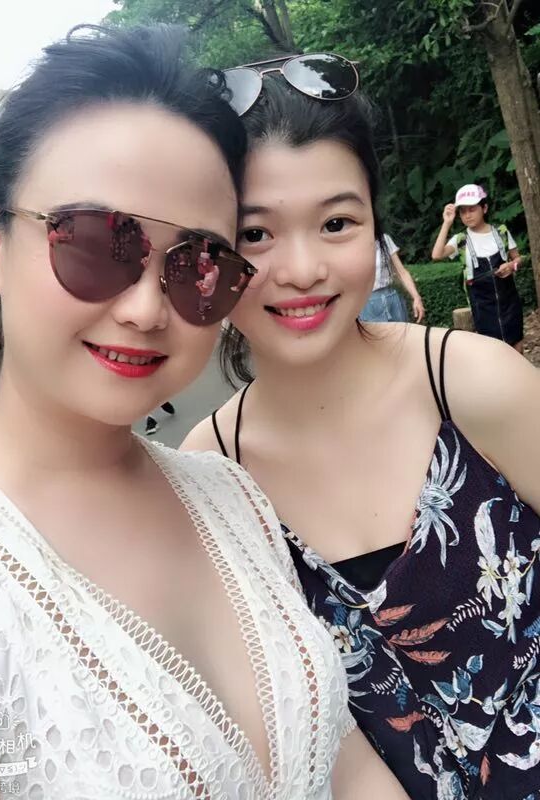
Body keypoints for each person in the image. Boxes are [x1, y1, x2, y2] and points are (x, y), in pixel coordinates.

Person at [0, 26, 407, 800]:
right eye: (94, 244)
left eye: (199, 264)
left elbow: (341, 755)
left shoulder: (232, 496)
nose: (146, 309)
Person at [183, 56, 540, 799]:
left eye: (337, 223)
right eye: (255, 233)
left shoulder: (473, 382)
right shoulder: (212, 474)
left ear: (376, 227)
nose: (302, 268)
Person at [431, 183, 524, 352]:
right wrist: (447, 223)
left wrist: (512, 265)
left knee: (517, 347)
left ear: (484, 208)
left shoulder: (501, 232)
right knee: (492, 352)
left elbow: (519, 258)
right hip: (483, 309)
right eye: (463, 211)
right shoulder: (461, 240)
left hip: (510, 303)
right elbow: (436, 255)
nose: (467, 215)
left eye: (472, 209)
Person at [360, 233, 425, 323]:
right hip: (367, 304)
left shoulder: (384, 239)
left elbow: (401, 272)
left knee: (402, 331)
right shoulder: (350, 244)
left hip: (392, 298)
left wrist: (416, 297)